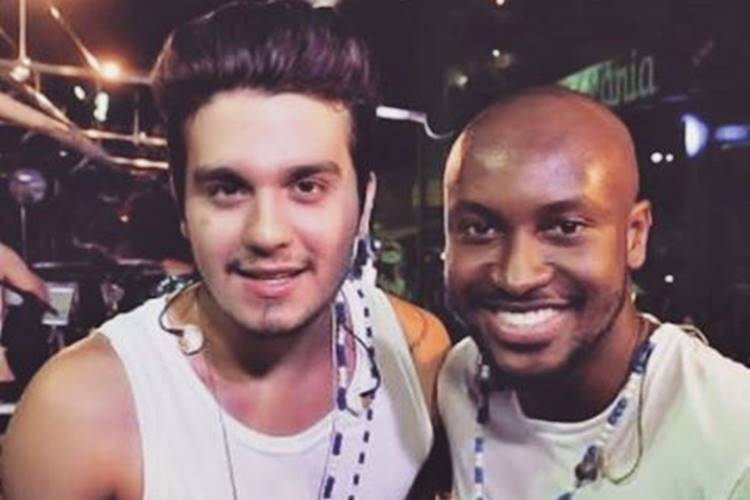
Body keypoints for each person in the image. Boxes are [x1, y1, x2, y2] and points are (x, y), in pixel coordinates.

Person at [2, 2, 450, 499]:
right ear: (182, 205)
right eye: (227, 189)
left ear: (364, 203)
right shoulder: (78, 413)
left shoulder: (418, 355)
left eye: (306, 186)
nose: (267, 233)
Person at [438, 86, 750, 499]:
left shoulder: (732, 436)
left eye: (565, 227)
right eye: (479, 229)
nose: (517, 277)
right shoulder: (456, 378)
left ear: (634, 235)